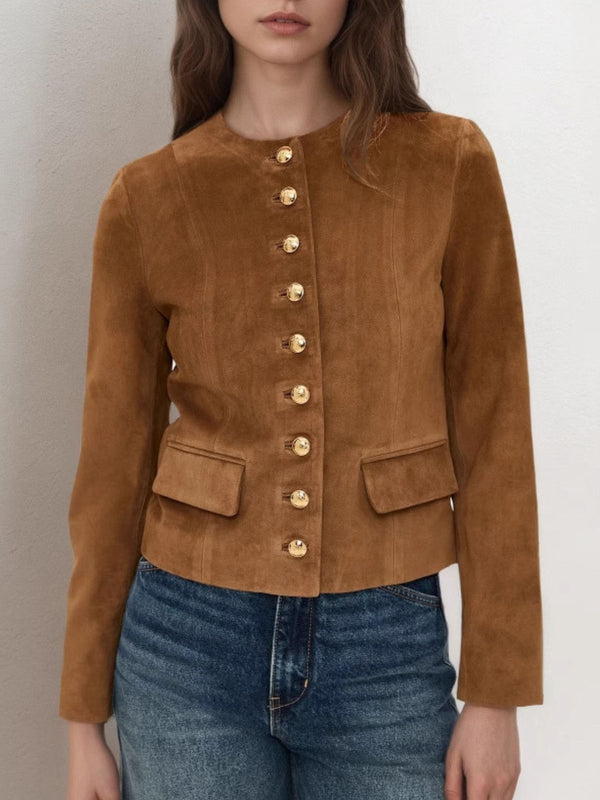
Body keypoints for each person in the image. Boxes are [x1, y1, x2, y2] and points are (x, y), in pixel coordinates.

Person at [59, 2, 544, 799]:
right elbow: (112, 462)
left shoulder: (447, 165)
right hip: (183, 647)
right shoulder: (147, 197)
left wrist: (498, 694)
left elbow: (497, 431)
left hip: (387, 647)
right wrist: (83, 721)